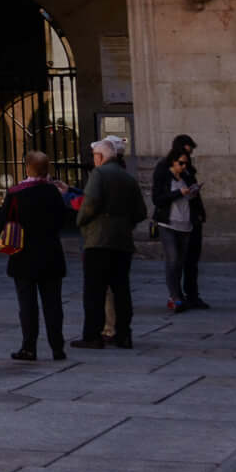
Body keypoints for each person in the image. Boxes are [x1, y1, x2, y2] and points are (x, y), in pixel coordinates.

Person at [0, 151, 79, 361]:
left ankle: (29, 347)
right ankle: (57, 347)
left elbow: (0, 220)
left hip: (24, 256)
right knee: (53, 305)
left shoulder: (17, 193)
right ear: (47, 170)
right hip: (51, 255)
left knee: (28, 305)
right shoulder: (53, 193)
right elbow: (64, 218)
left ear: (27, 169)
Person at [74, 137, 146, 348]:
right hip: (122, 242)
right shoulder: (128, 178)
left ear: (100, 157)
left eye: (95, 156)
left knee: (94, 291)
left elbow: (90, 204)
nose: (94, 160)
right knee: (121, 289)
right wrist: (124, 223)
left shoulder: (99, 174)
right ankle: (124, 334)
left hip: (98, 241)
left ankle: (92, 335)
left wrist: (81, 221)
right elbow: (141, 212)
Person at [151, 135, 208, 313]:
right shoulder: (163, 171)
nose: (185, 165)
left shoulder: (187, 173)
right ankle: (175, 296)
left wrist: (199, 210)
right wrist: (178, 194)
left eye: (187, 161)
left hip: (187, 222)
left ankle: (190, 295)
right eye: (182, 161)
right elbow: (158, 198)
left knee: (187, 260)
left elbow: (194, 195)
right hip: (168, 222)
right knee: (173, 259)